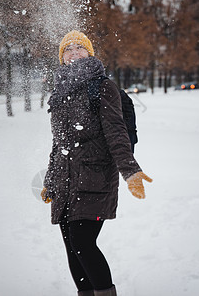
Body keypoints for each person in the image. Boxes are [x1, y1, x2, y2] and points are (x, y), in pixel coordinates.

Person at [41, 30, 152, 296]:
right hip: (66, 182)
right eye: (68, 49)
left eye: (80, 48)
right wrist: (50, 180)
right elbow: (59, 144)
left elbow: (116, 132)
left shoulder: (102, 86)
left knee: (83, 242)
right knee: (71, 245)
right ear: (62, 57)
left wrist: (130, 171)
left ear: (89, 53)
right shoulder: (59, 94)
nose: (74, 52)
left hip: (94, 178)